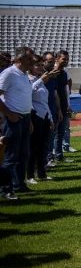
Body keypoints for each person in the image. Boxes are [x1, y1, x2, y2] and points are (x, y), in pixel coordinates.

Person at [0, 47, 35, 193]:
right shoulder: (8, 74)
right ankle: (6, 189)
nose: (32, 61)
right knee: (11, 156)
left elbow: (26, 98)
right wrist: (8, 114)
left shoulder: (23, 74)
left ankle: (19, 185)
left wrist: (30, 119)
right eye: (29, 58)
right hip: (13, 119)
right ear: (20, 60)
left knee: (23, 154)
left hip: (25, 118)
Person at [27, 55, 57, 183]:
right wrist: (41, 81)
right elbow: (28, 93)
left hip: (44, 116)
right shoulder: (28, 79)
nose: (40, 67)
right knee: (33, 147)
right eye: (37, 65)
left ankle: (42, 172)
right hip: (35, 116)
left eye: (40, 65)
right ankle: (30, 175)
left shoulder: (40, 80)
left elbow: (45, 102)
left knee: (43, 147)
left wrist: (50, 117)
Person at [51, 50, 72, 163]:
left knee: (61, 132)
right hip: (54, 106)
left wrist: (68, 105)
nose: (66, 61)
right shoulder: (52, 72)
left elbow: (65, 90)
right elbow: (53, 92)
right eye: (64, 59)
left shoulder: (64, 73)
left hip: (63, 106)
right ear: (57, 59)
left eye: (67, 59)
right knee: (52, 133)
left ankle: (59, 155)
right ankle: (50, 157)